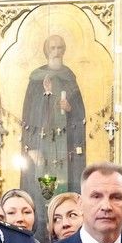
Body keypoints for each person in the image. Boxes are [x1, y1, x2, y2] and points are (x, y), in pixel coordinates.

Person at [20, 35, 86, 216]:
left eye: (59, 48)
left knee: (65, 181)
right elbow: (29, 113)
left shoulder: (69, 77)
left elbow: (80, 113)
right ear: (46, 51)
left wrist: (70, 108)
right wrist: (46, 96)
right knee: (41, 182)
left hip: (65, 145)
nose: (56, 52)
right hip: (41, 143)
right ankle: (41, 217)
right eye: (52, 48)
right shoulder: (36, 79)